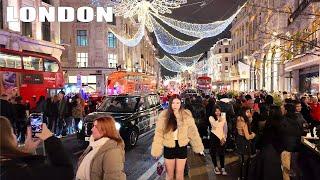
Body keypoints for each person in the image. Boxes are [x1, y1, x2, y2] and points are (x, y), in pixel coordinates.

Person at [0, 116, 73, 180]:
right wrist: (48, 136)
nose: (15, 136)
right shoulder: (23, 172)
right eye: (12, 132)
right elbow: (66, 172)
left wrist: (26, 154)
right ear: (6, 139)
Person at [151, 95, 204, 180]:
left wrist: (198, 147)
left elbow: (193, 132)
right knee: (169, 175)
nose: (175, 105)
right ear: (170, 103)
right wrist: (156, 150)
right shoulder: (164, 115)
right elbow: (159, 134)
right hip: (168, 147)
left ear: (181, 104)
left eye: (177, 103)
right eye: (173, 103)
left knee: (180, 175)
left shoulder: (186, 114)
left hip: (181, 147)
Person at [236, 107, 256, 180]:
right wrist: (253, 135)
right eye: (247, 112)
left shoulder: (239, 119)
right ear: (243, 112)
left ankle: (240, 176)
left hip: (239, 140)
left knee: (241, 160)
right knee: (246, 161)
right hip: (244, 142)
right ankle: (244, 176)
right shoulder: (243, 122)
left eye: (249, 112)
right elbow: (247, 137)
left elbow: (249, 120)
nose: (249, 113)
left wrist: (250, 116)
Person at [209, 106, 228, 175]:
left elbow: (225, 127)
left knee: (221, 152)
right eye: (216, 111)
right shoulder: (211, 118)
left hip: (221, 137)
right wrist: (220, 120)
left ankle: (222, 167)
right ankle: (216, 167)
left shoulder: (223, 117)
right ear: (214, 112)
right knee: (213, 152)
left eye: (219, 111)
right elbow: (214, 125)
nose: (217, 112)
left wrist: (224, 137)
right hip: (214, 136)